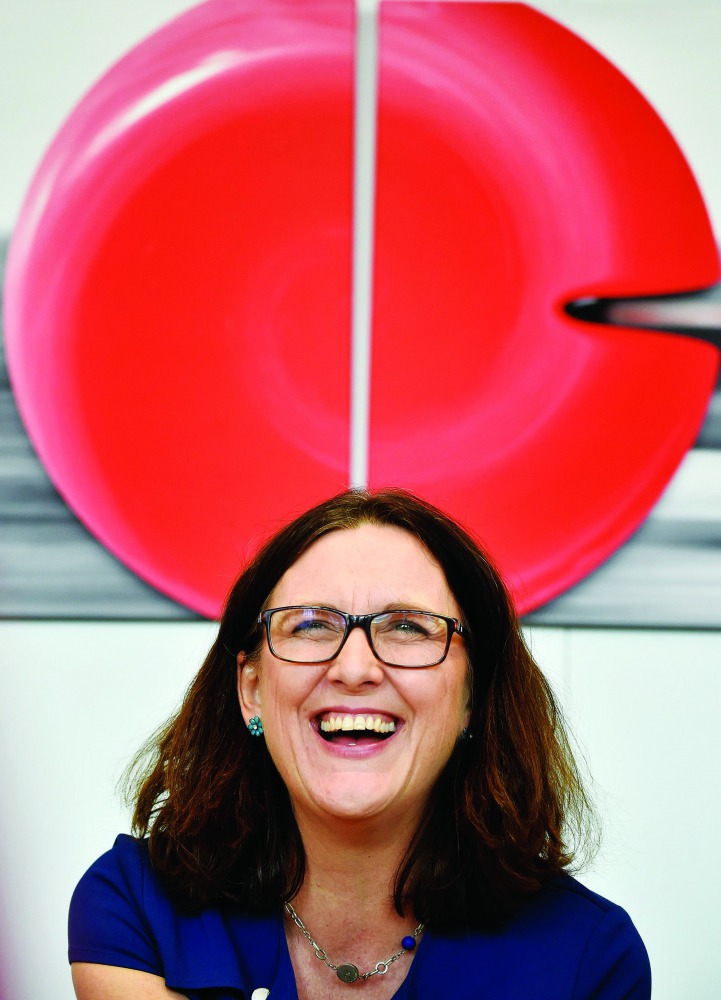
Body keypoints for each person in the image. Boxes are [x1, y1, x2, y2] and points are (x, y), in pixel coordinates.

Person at [69, 488, 651, 999]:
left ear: (472, 697)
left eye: (407, 626)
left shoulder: (591, 957)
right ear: (251, 690)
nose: (354, 667)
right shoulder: (134, 906)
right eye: (310, 624)